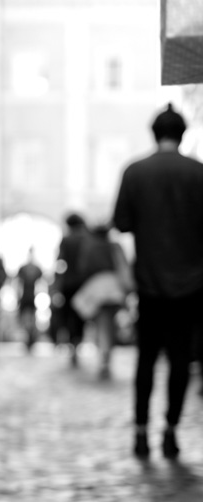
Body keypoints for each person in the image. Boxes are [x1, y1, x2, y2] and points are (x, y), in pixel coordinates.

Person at [113, 103, 203, 460]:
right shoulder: (199, 173)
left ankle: (139, 430)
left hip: (149, 280)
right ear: (182, 134)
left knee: (146, 359)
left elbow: (121, 223)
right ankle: (170, 428)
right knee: (181, 359)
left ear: (154, 133)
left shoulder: (135, 172)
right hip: (192, 282)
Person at [71, 224, 134, 379]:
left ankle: (104, 357)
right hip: (114, 289)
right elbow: (124, 266)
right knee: (109, 325)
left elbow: (83, 268)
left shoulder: (90, 248)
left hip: (98, 289)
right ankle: (106, 357)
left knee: (102, 324)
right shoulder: (114, 247)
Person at [54, 212, 89, 366]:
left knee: (68, 316)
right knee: (80, 316)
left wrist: (56, 286)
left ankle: (72, 346)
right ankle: (77, 344)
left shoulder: (66, 240)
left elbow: (60, 264)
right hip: (83, 283)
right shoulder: (86, 239)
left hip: (68, 284)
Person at [16, 247, 43, 351]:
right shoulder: (26, 268)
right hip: (27, 296)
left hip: (31, 296)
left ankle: (30, 338)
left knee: (30, 319)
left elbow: (41, 284)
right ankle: (28, 338)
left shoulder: (35, 268)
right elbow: (18, 283)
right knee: (26, 319)